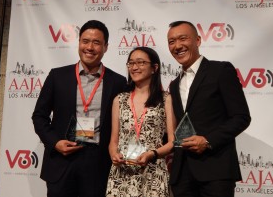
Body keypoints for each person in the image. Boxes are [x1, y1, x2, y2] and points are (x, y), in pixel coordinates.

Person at [32, 20, 127, 197]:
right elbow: (39, 116)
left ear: (106, 47)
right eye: (85, 41)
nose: (89, 47)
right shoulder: (57, 76)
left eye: (96, 42)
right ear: (79, 43)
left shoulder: (118, 82)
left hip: (98, 164)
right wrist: (55, 142)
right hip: (62, 160)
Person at [167, 21, 251, 197]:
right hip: (182, 174)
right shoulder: (174, 85)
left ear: (197, 40)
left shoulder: (220, 70)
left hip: (216, 171)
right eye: (171, 41)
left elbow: (241, 117)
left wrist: (207, 140)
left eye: (183, 38)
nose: (177, 46)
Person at [105, 47, 176, 196]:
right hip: (122, 174)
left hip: (153, 171)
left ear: (154, 68)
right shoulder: (119, 99)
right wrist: (114, 155)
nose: (134, 67)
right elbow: (113, 141)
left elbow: (172, 142)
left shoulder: (165, 99)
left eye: (141, 62)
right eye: (131, 63)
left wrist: (152, 153)